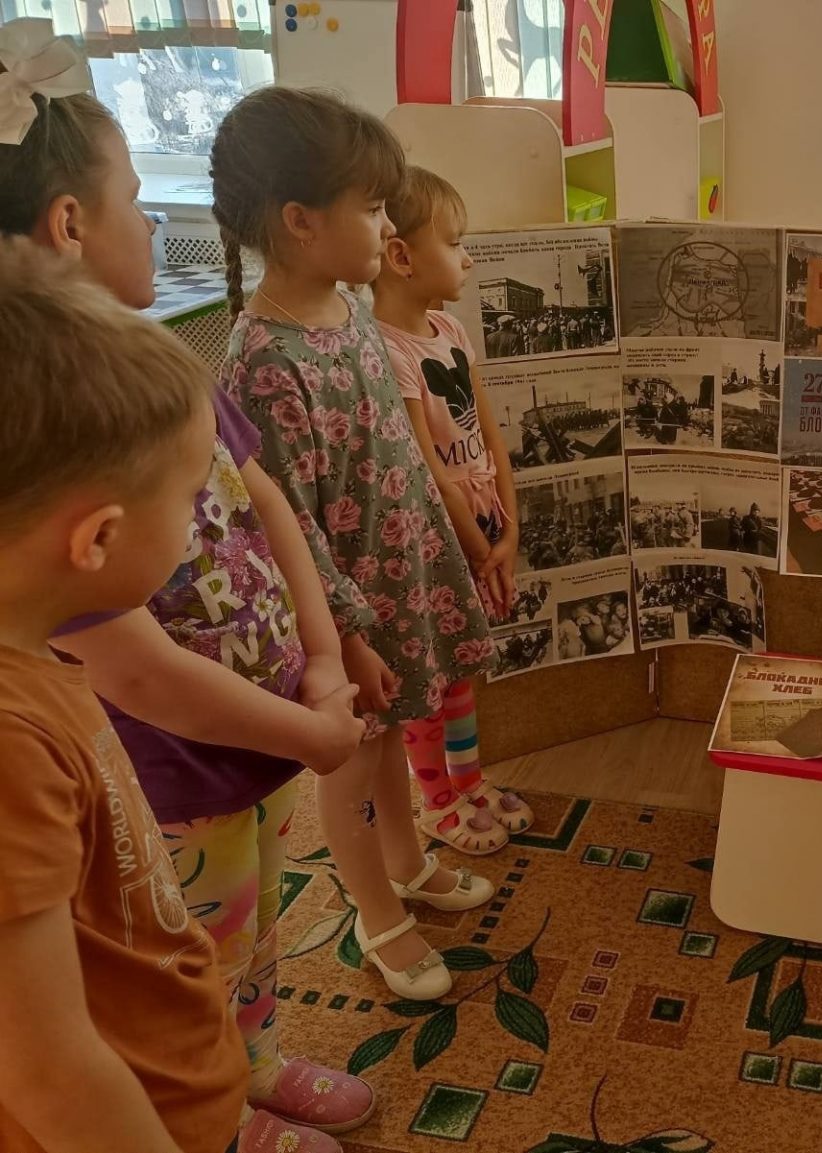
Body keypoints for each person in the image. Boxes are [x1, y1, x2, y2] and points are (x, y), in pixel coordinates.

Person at [0, 35, 372, 1150]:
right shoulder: (66, 466)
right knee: (190, 941)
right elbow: (49, 1058)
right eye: (131, 199)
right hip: (192, 769)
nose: (157, 222)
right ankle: (217, 1107)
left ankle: (242, 1066)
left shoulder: (154, 377)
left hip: (264, 734)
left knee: (235, 931)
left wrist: (319, 658)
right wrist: (310, 724)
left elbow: (262, 502)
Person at [213, 88, 499, 1005]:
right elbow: (284, 517)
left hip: (402, 574)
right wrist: (348, 636)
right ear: (301, 222)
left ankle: (409, 861)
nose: (386, 224)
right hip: (342, 612)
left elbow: (397, 455)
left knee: (393, 740)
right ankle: (375, 907)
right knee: (354, 759)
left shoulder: (354, 316)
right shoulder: (262, 358)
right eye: (370, 208)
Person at [0, 241, 248, 1153]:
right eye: (191, 497)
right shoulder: (9, 743)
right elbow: (46, 1068)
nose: (200, 517)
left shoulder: (37, 654)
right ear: (98, 538)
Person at [372, 166, 534, 856]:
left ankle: (467, 781)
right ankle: (435, 796)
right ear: (402, 256)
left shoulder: (451, 330)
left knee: (464, 665)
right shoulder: (387, 349)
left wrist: (510, 529)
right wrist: (476, 546)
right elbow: (427, 469)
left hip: (482, 525)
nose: (468, 256)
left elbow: (491, 436)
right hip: (439, 539)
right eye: (456, 242)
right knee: (431, 672)